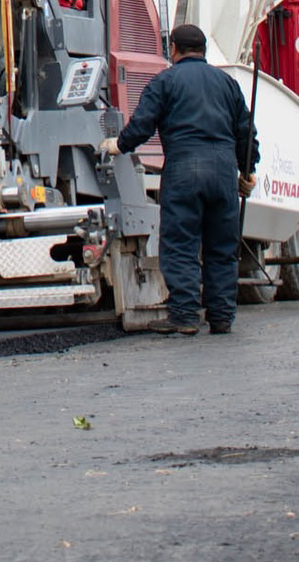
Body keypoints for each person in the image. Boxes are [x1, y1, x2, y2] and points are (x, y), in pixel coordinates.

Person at [100, 23, 258, 336]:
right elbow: (245, 131)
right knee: (222, 246)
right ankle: (221, 317)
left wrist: (119, 144)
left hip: (184, 169)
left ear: (173, 48)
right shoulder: (228, 84)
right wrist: (247, 169)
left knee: (181, 243)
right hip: (223, 171)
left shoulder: (165, 81)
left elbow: (143, 124)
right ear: (204, 50)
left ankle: (185, 315)